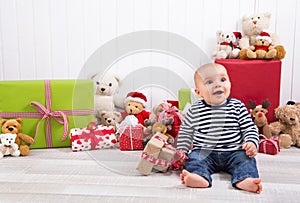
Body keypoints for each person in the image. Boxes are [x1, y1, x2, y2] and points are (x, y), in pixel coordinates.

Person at [176, 63, 262, 194]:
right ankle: (199, 176)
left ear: (230, 84)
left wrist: (251, 142)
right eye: (209, 82)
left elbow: (249, 127)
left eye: (223, 80)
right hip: (204, 152)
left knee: (246, 160)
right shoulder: (195, 110)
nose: (218, 85)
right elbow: (186, 131)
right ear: (198, 92)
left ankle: (245, 179)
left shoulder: (237, 106)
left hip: (234, 151)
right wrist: (181, 151)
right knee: (194, 159)